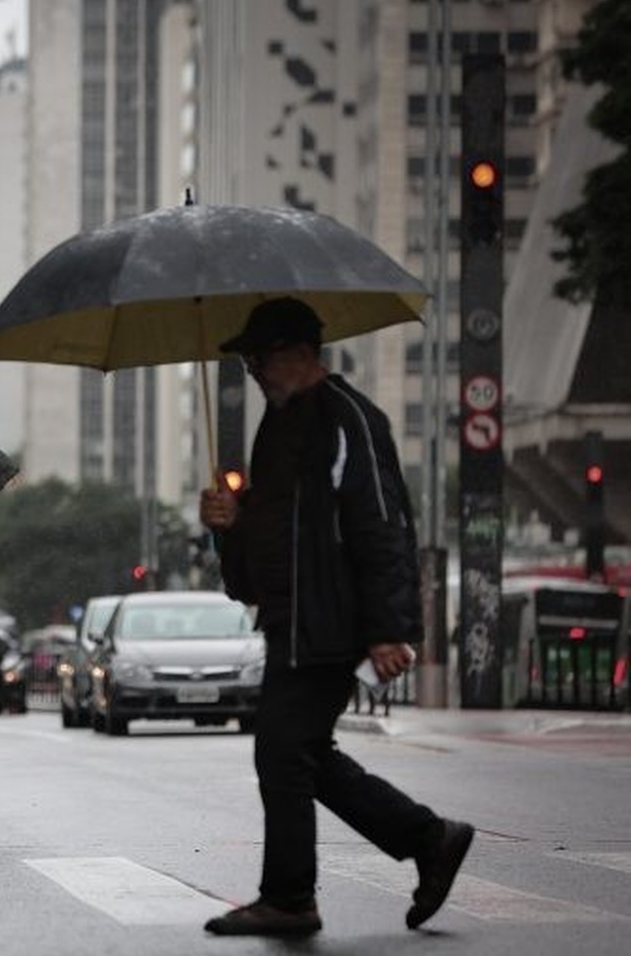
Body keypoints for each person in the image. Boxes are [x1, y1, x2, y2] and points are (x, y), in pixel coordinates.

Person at [198, 297, 474, 937]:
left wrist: (388, 628)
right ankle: (428, 838)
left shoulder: (349, 418)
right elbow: (263, 543)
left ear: (298, 353)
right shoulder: (278, 425)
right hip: (290, 619)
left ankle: (292, 898)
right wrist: (227, 528)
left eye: (257, 358)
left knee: (282, 752)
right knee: (301, 753)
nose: (254, 371)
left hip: (330, 620)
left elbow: (382, 525)